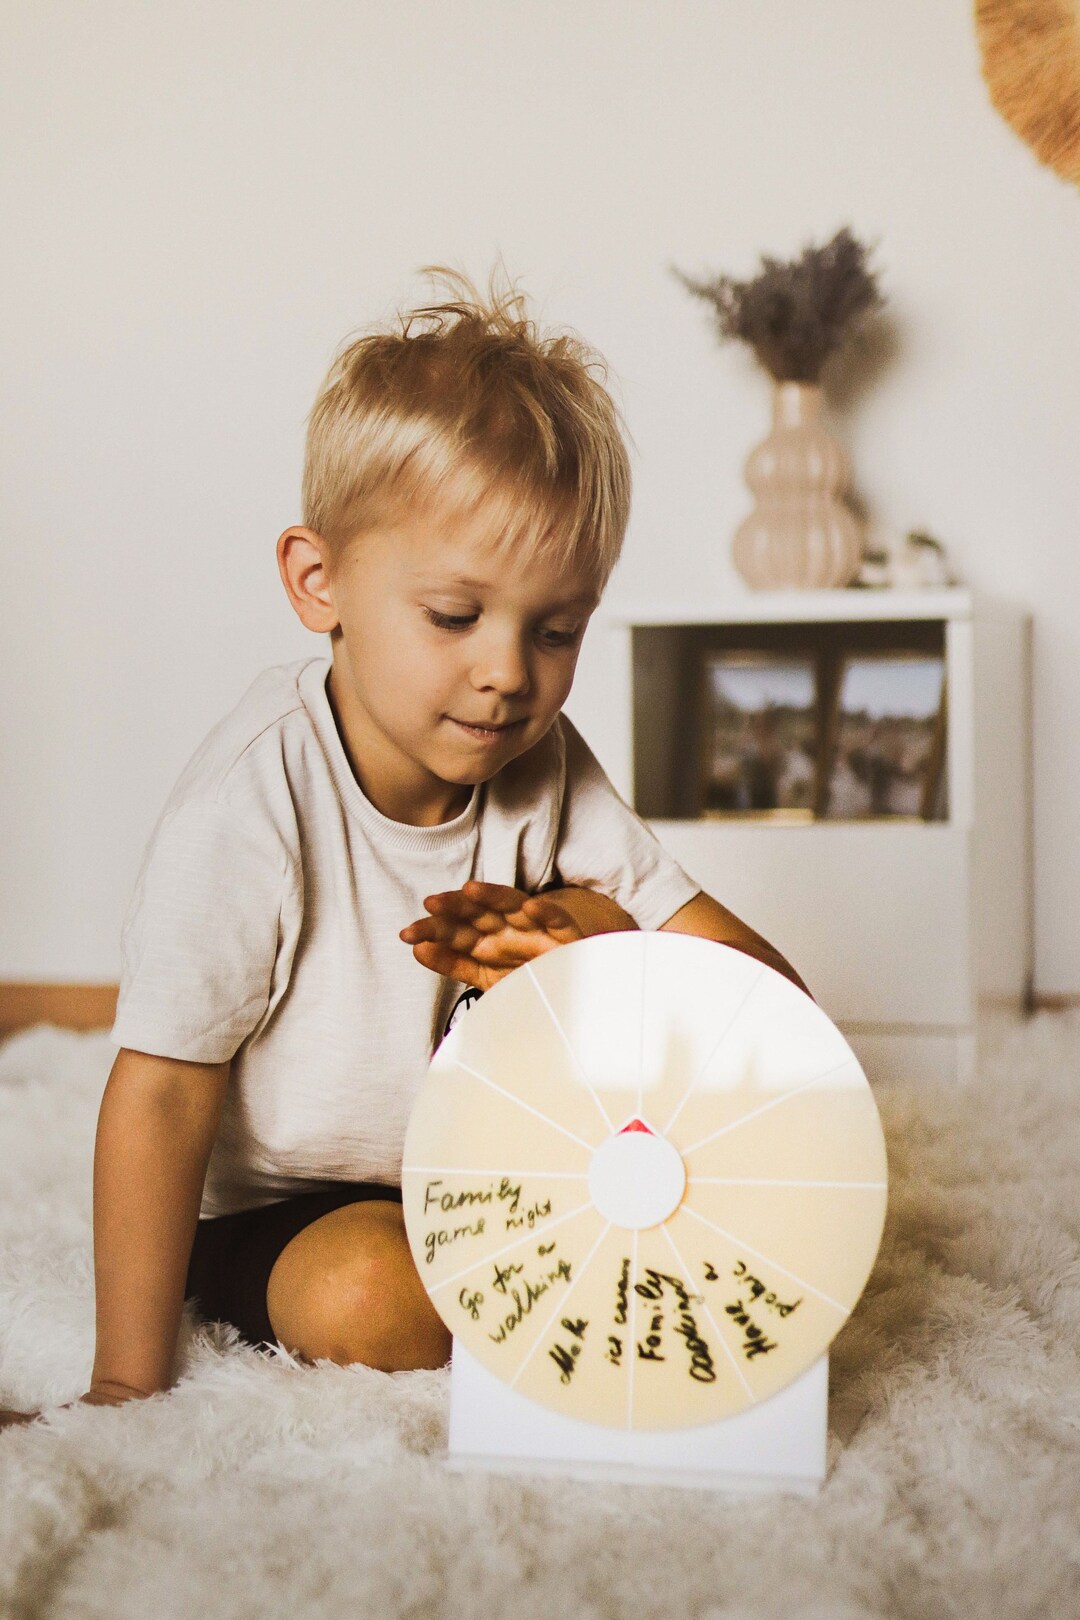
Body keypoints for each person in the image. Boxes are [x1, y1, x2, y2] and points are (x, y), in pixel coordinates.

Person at [1, 272, 805, 1428]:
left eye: (557, 628)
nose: (508, 672)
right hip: (287, 1210)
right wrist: (126, 1382)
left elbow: (773, 1010)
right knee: (382, 1300)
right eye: (454, 616)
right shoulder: (248, 810)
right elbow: (162, 1097)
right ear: (317, 582)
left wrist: (604, 948)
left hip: (498, 1174)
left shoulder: (550, 767)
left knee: (731, 1215)